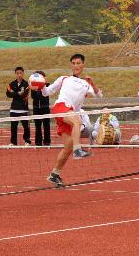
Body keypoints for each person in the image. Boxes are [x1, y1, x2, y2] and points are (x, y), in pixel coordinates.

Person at [42, 54, 102, 187]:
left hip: (70, 112)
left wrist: (93, 83)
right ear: (71, 65)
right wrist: (40, 85)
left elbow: (99, 95)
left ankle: (54, 174)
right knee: (77, 122)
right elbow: (46, 92)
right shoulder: (64, 79)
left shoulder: (86, 84)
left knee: (67, 148)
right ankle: (78, 150)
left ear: (83, 65)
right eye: (73, 63)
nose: (75, 66)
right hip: (61, 107)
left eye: (78, 63)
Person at [6, 66, 31, 146]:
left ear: (23, 73)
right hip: (14, 109)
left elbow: (24, 95)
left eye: (20, 73)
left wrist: (14, 93)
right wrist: (17, 93)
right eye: (17, 73)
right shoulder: (11, 84)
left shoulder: (26, 84)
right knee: (13, 127)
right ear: (15, 74)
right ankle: (13, 142)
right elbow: (8, 93)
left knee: (26, 127)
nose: (19, 75)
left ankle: (27, 141)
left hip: (23, 109)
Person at [31, 70, 51, 147]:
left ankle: (47, 142)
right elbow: (33, 97)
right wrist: (35, 89)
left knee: (46, 125)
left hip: (45, 107)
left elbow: (45, 95)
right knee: (37, 125)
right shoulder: (33, 87)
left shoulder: (47, 85)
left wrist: (41, 87)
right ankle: (38, 142)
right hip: (36, 108)